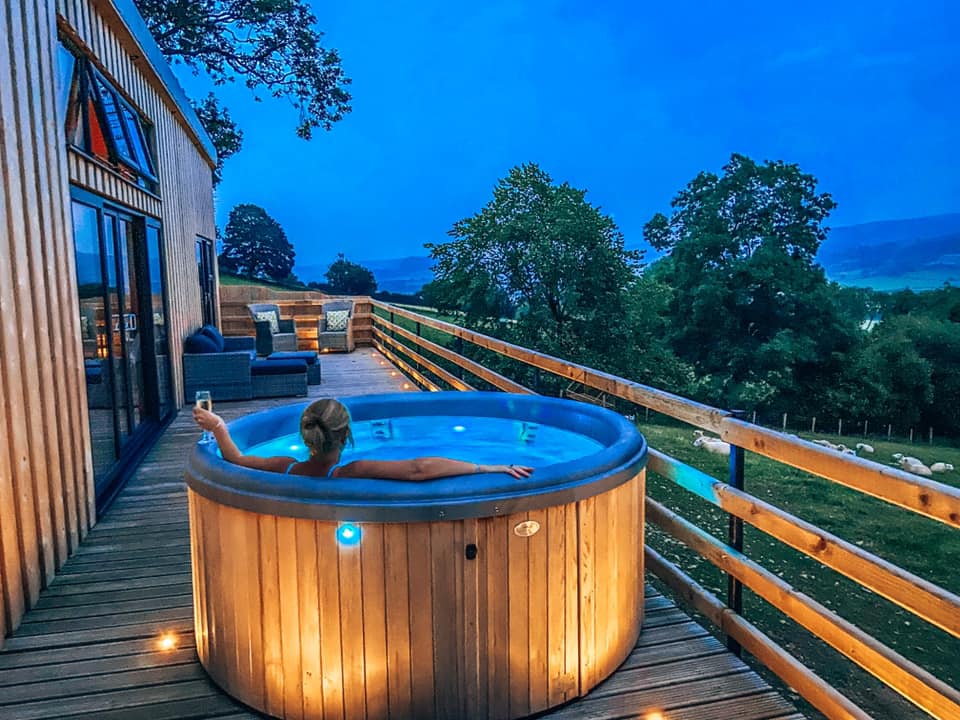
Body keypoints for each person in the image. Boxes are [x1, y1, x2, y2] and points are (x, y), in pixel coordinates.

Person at [193, 398, 534, 481]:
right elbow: (419, 468)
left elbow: (236, 459)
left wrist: (219, 425)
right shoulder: (349, 472)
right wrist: (487, 467)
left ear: (306, 436)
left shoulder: (287, 468)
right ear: (346, 435)